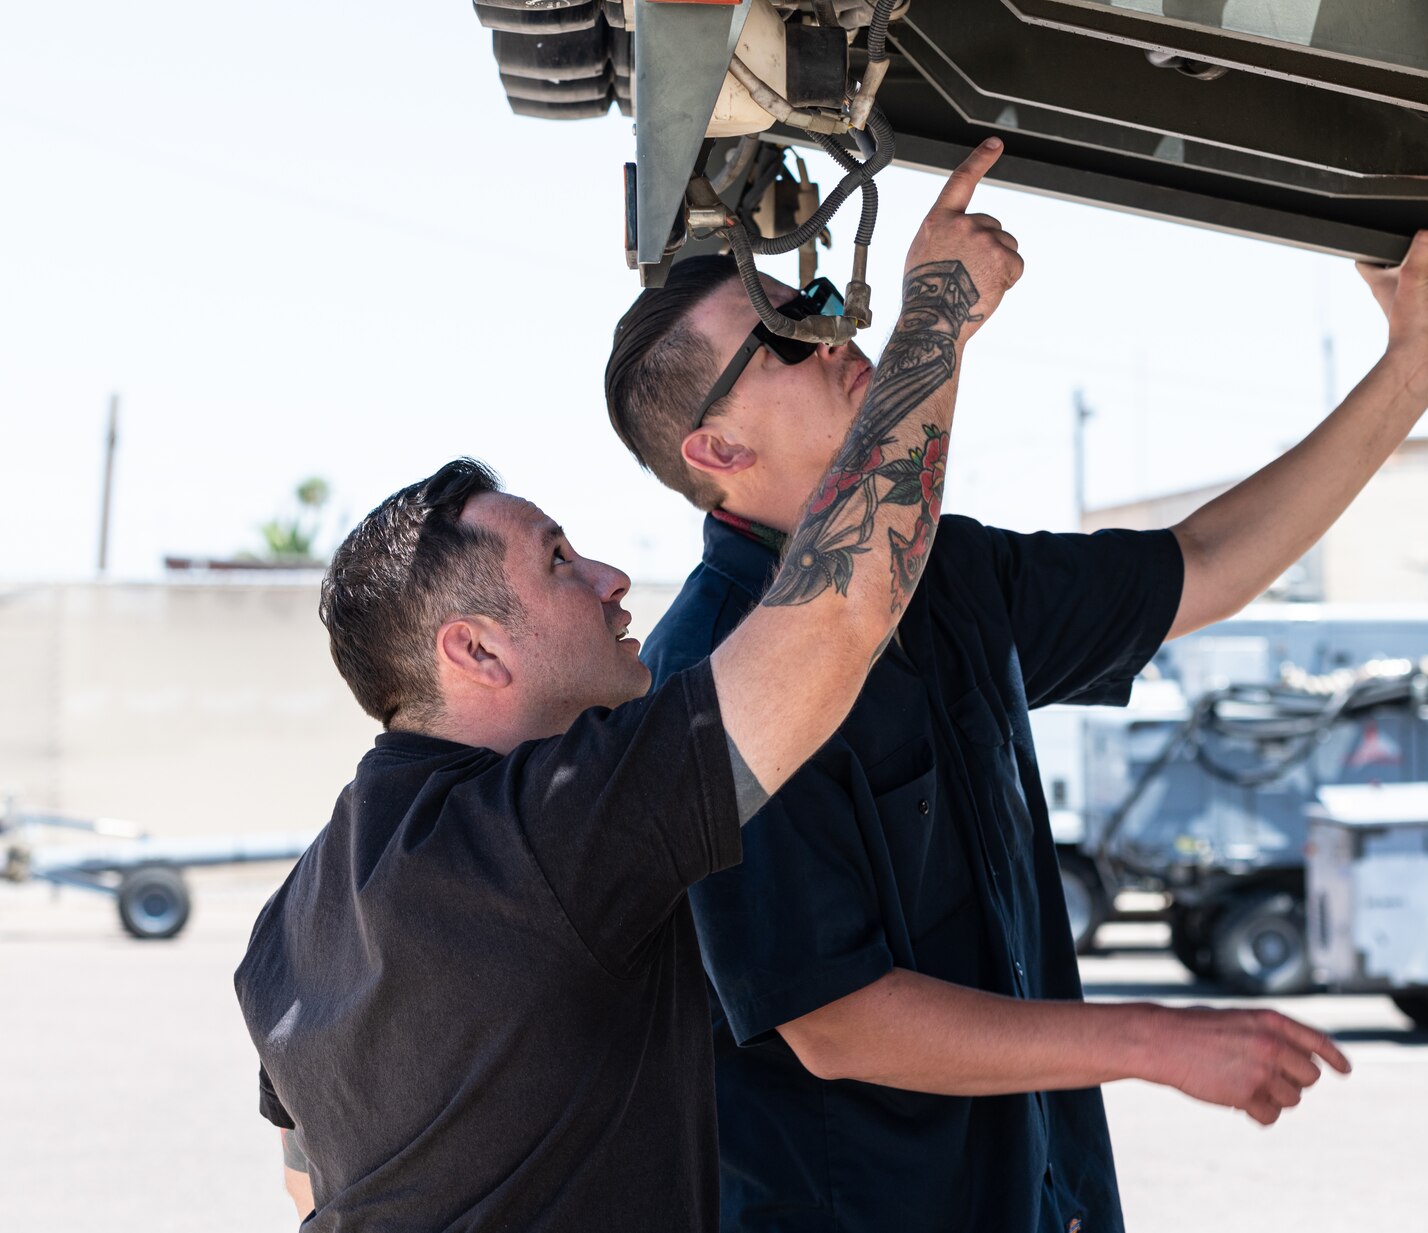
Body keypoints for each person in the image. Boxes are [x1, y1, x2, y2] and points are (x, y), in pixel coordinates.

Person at [605, 197, 1428, 1232]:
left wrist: (1410, 365)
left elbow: (1201, 568)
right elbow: (832, 1018)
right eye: (791, 335)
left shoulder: (951, 575)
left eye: (825, 304)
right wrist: (1152, 1040)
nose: (836, 335)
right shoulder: (706, 682)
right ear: (718, 454)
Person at [234, 139, 1027, 1230]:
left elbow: (304, 1184)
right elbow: (840, 615)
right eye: (558, 561)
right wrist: (934, 313)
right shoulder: (546, 833)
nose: (610, 577)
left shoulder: (300, 912)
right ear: (473, 651)